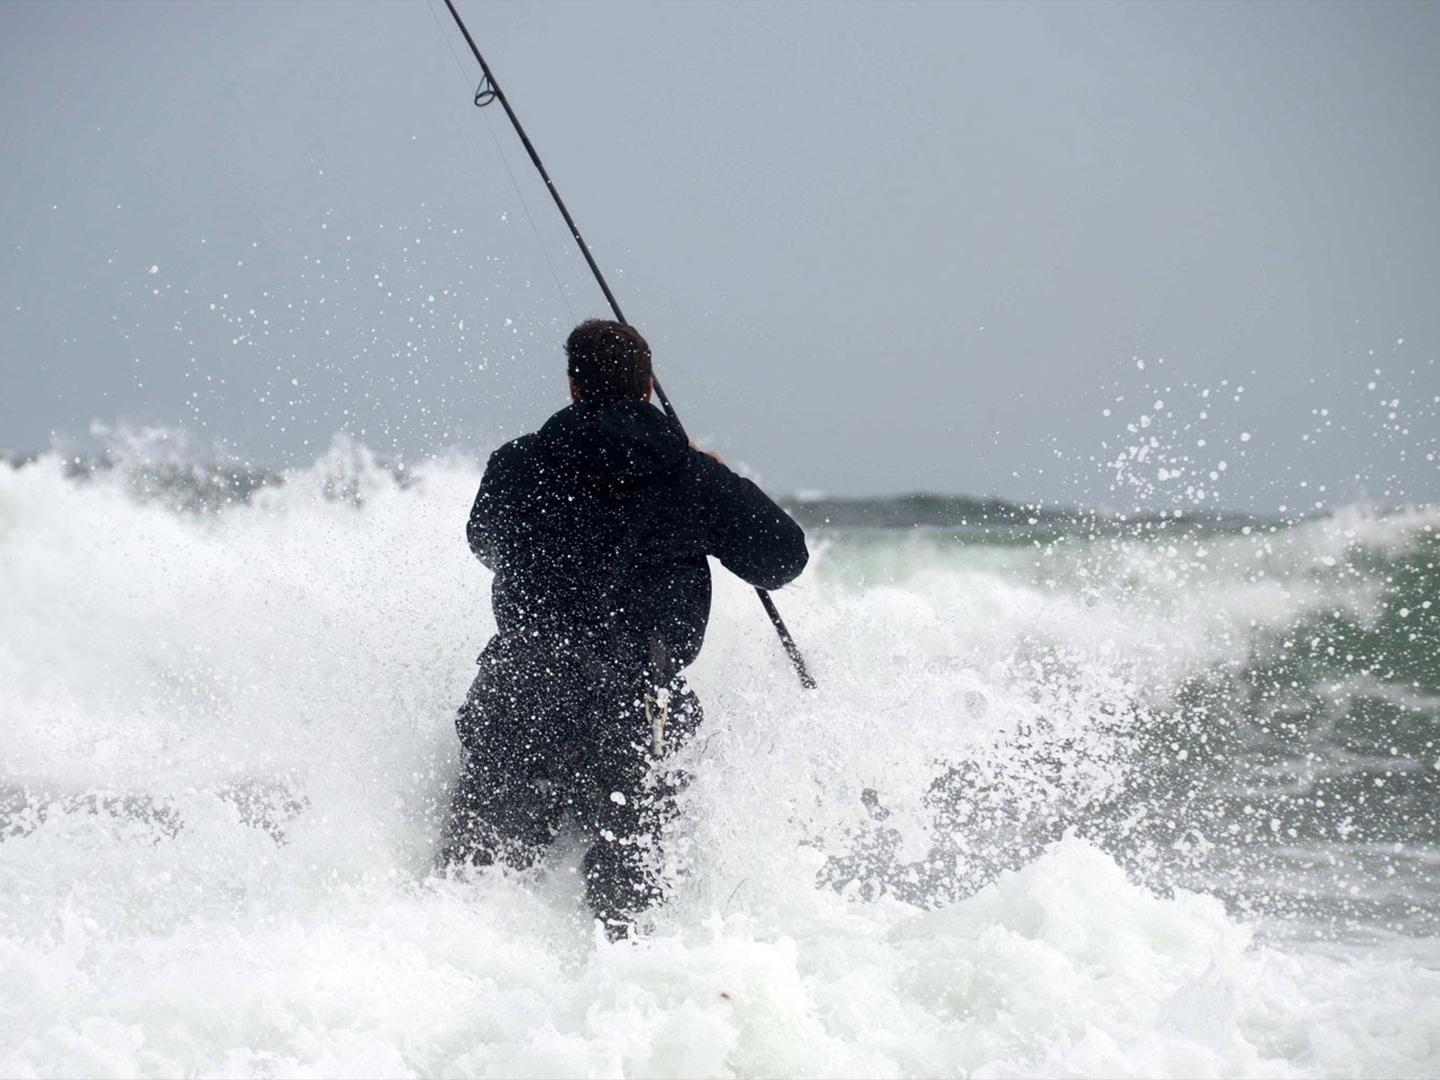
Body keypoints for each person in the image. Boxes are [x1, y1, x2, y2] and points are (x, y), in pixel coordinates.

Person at [439, 318, 808, 937]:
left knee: (470, 898)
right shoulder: (692, 476)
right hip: (637, 706)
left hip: (521, 688)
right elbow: (782, 559)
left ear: (573, 386)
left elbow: (486, 545)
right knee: (631, 923)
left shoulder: (519, 463)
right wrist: (711, 490)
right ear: (647, 388)